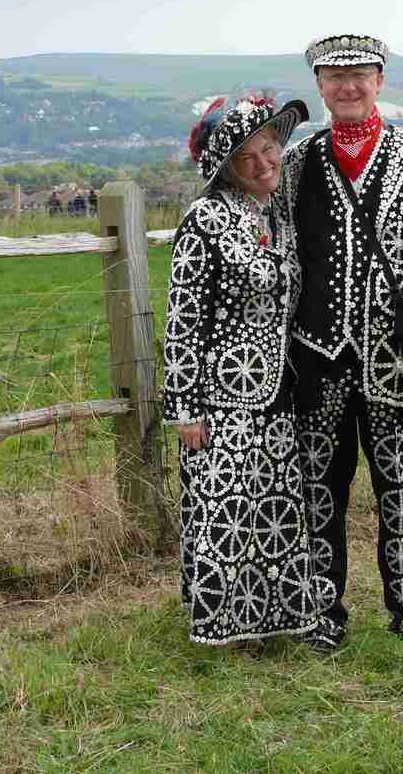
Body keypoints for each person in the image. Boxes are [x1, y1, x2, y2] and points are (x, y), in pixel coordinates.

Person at [281, 34, 403, 657]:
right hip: (316, 359)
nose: (347, 85)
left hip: (400, 363)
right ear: (318, 85)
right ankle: (321, 617)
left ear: (380, 79)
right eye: (334, 75)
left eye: (359, 73)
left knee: (402, 489)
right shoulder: (295, 166)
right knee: (317, 490)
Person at [163, 95, 319, 648]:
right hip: (220, 394)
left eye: (270, 148)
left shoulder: (274, 216)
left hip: (278, 387)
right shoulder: (204, 219)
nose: (263, 162)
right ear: (226, 167)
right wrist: (183, 408)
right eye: (247, 155)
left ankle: (272, 617)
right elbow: (183, 318)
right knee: (224, 508)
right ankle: (220, 622)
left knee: (272, 503)